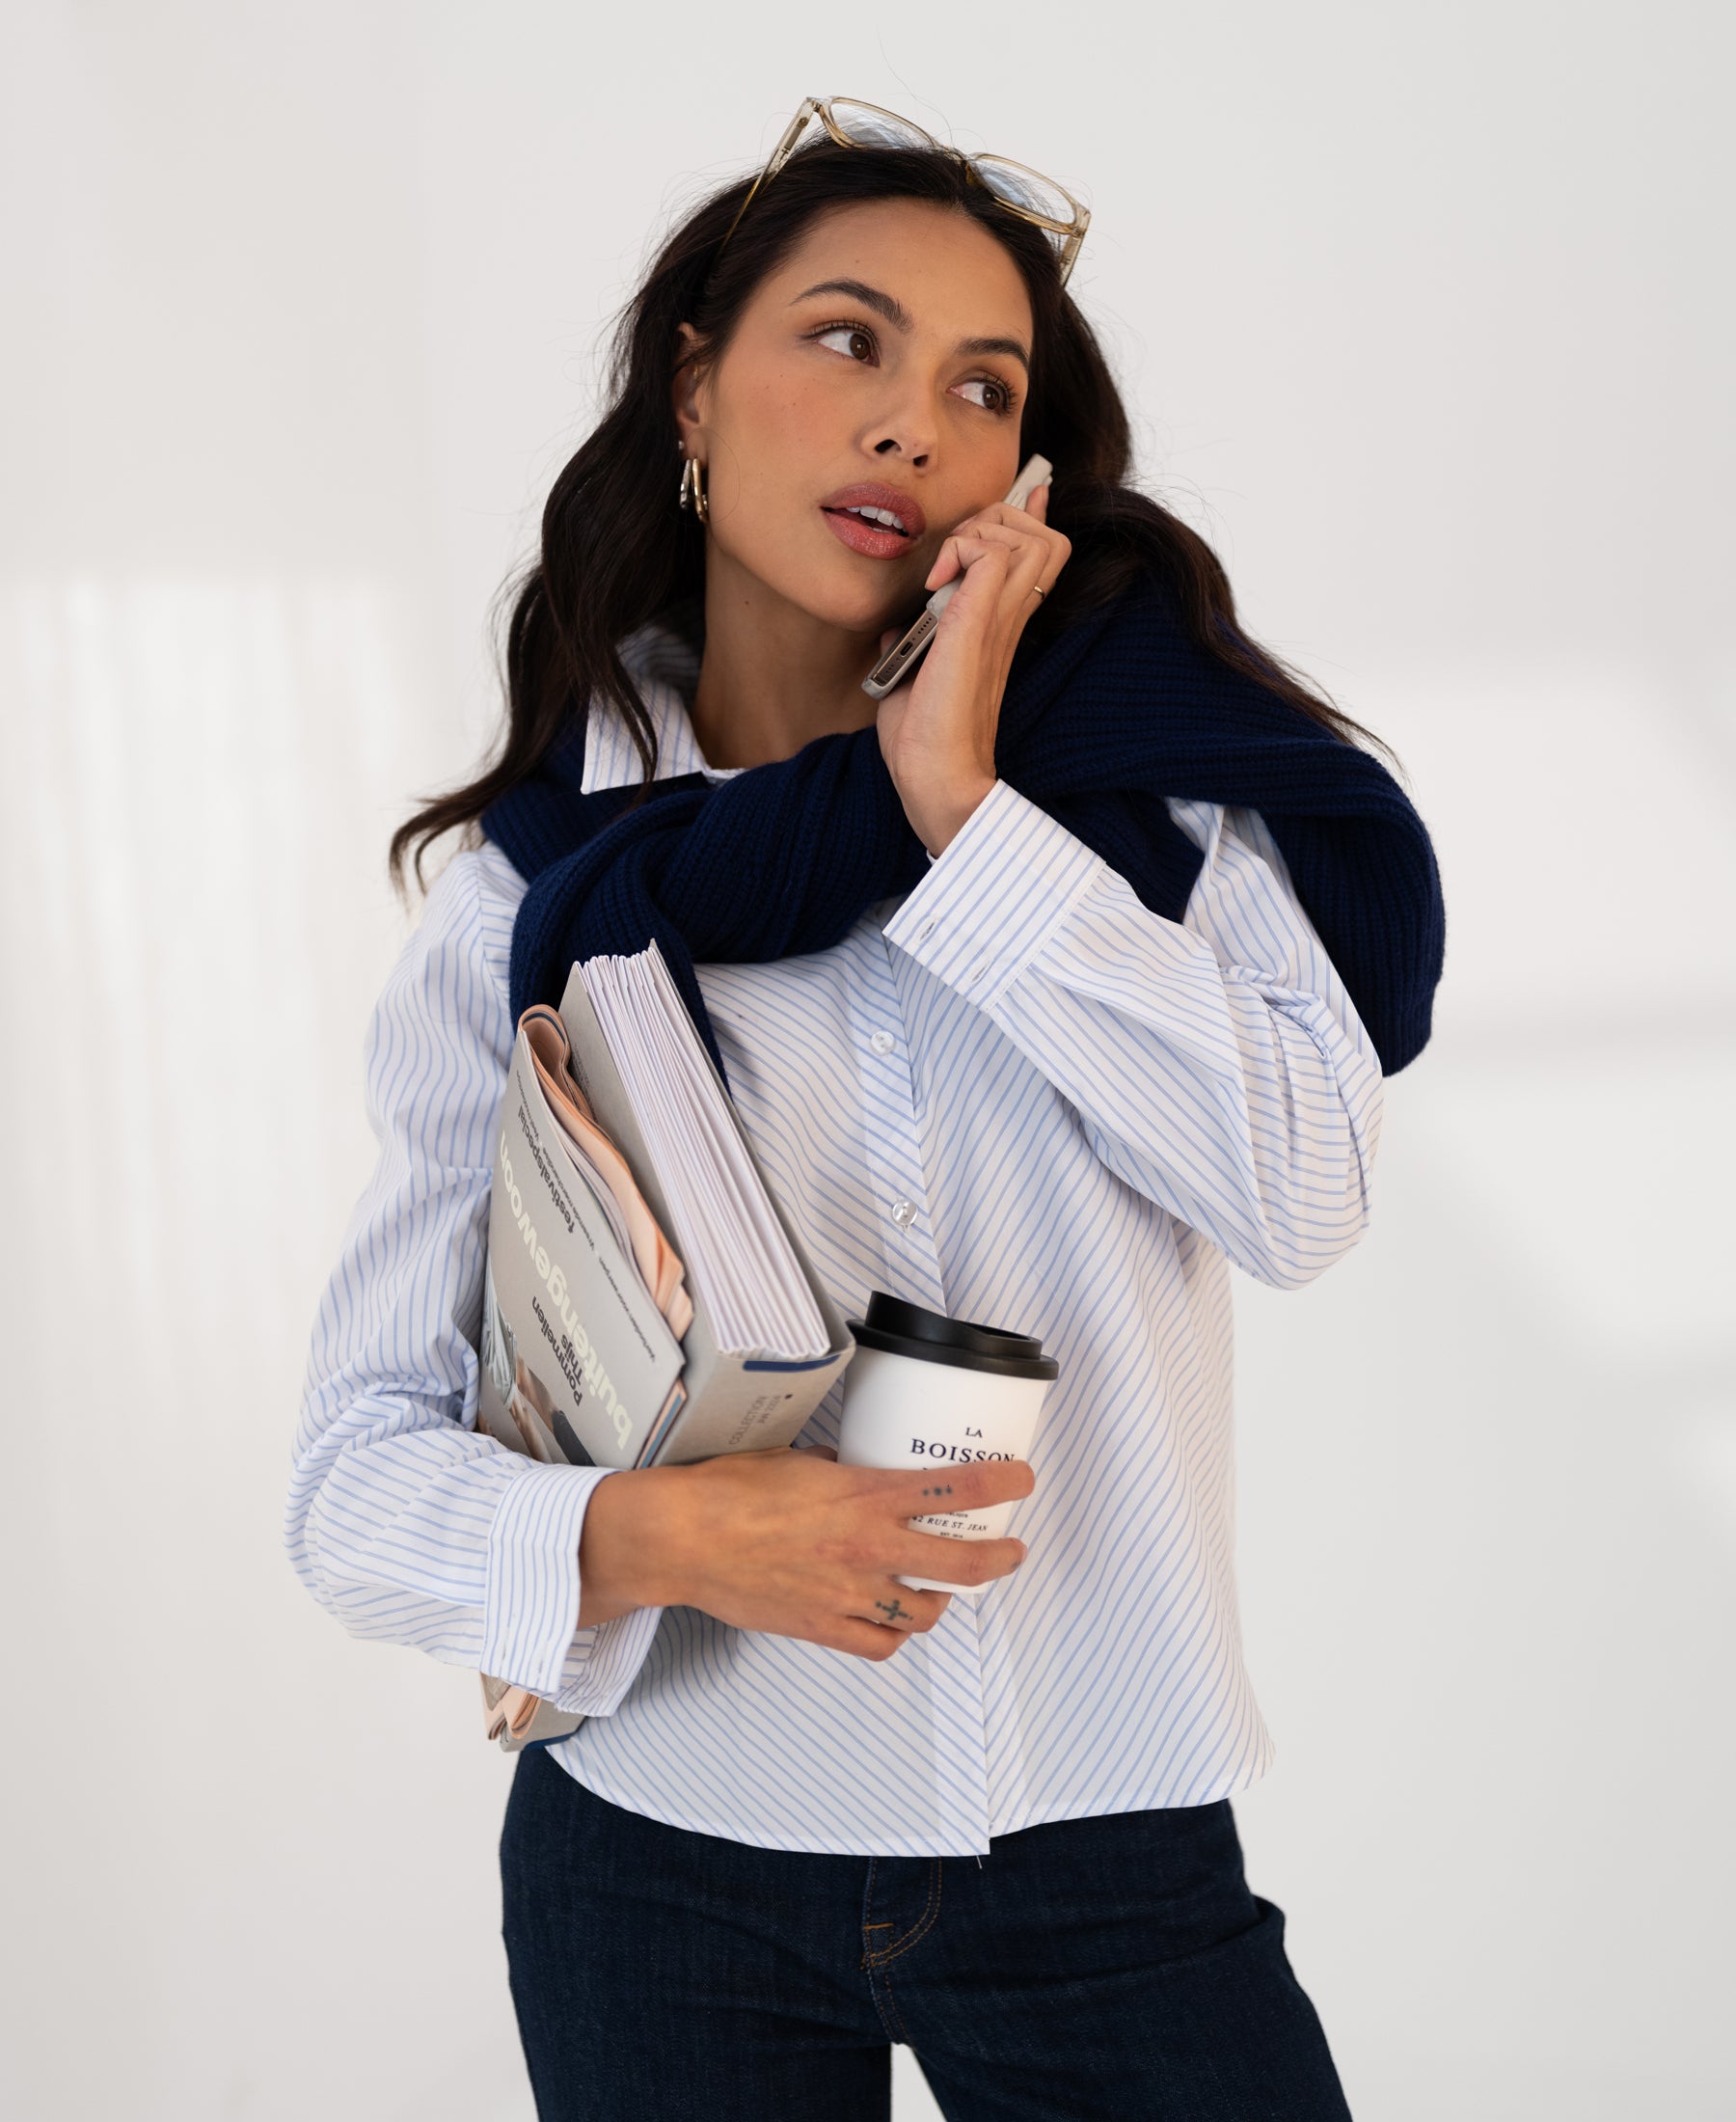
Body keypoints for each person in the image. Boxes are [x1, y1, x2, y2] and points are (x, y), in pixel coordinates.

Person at [286, 97, 1443, 2121]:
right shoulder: (526, 899)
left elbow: (1307, 1191)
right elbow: (352, 1484)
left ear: (1024, 476)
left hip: (1106, 1854)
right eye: (847, 339)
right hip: (659, 1866)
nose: (913, 420)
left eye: (979, 386)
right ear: (695, 387)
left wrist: (967, 819)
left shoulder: (1157, 813)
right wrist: (660, 1530)